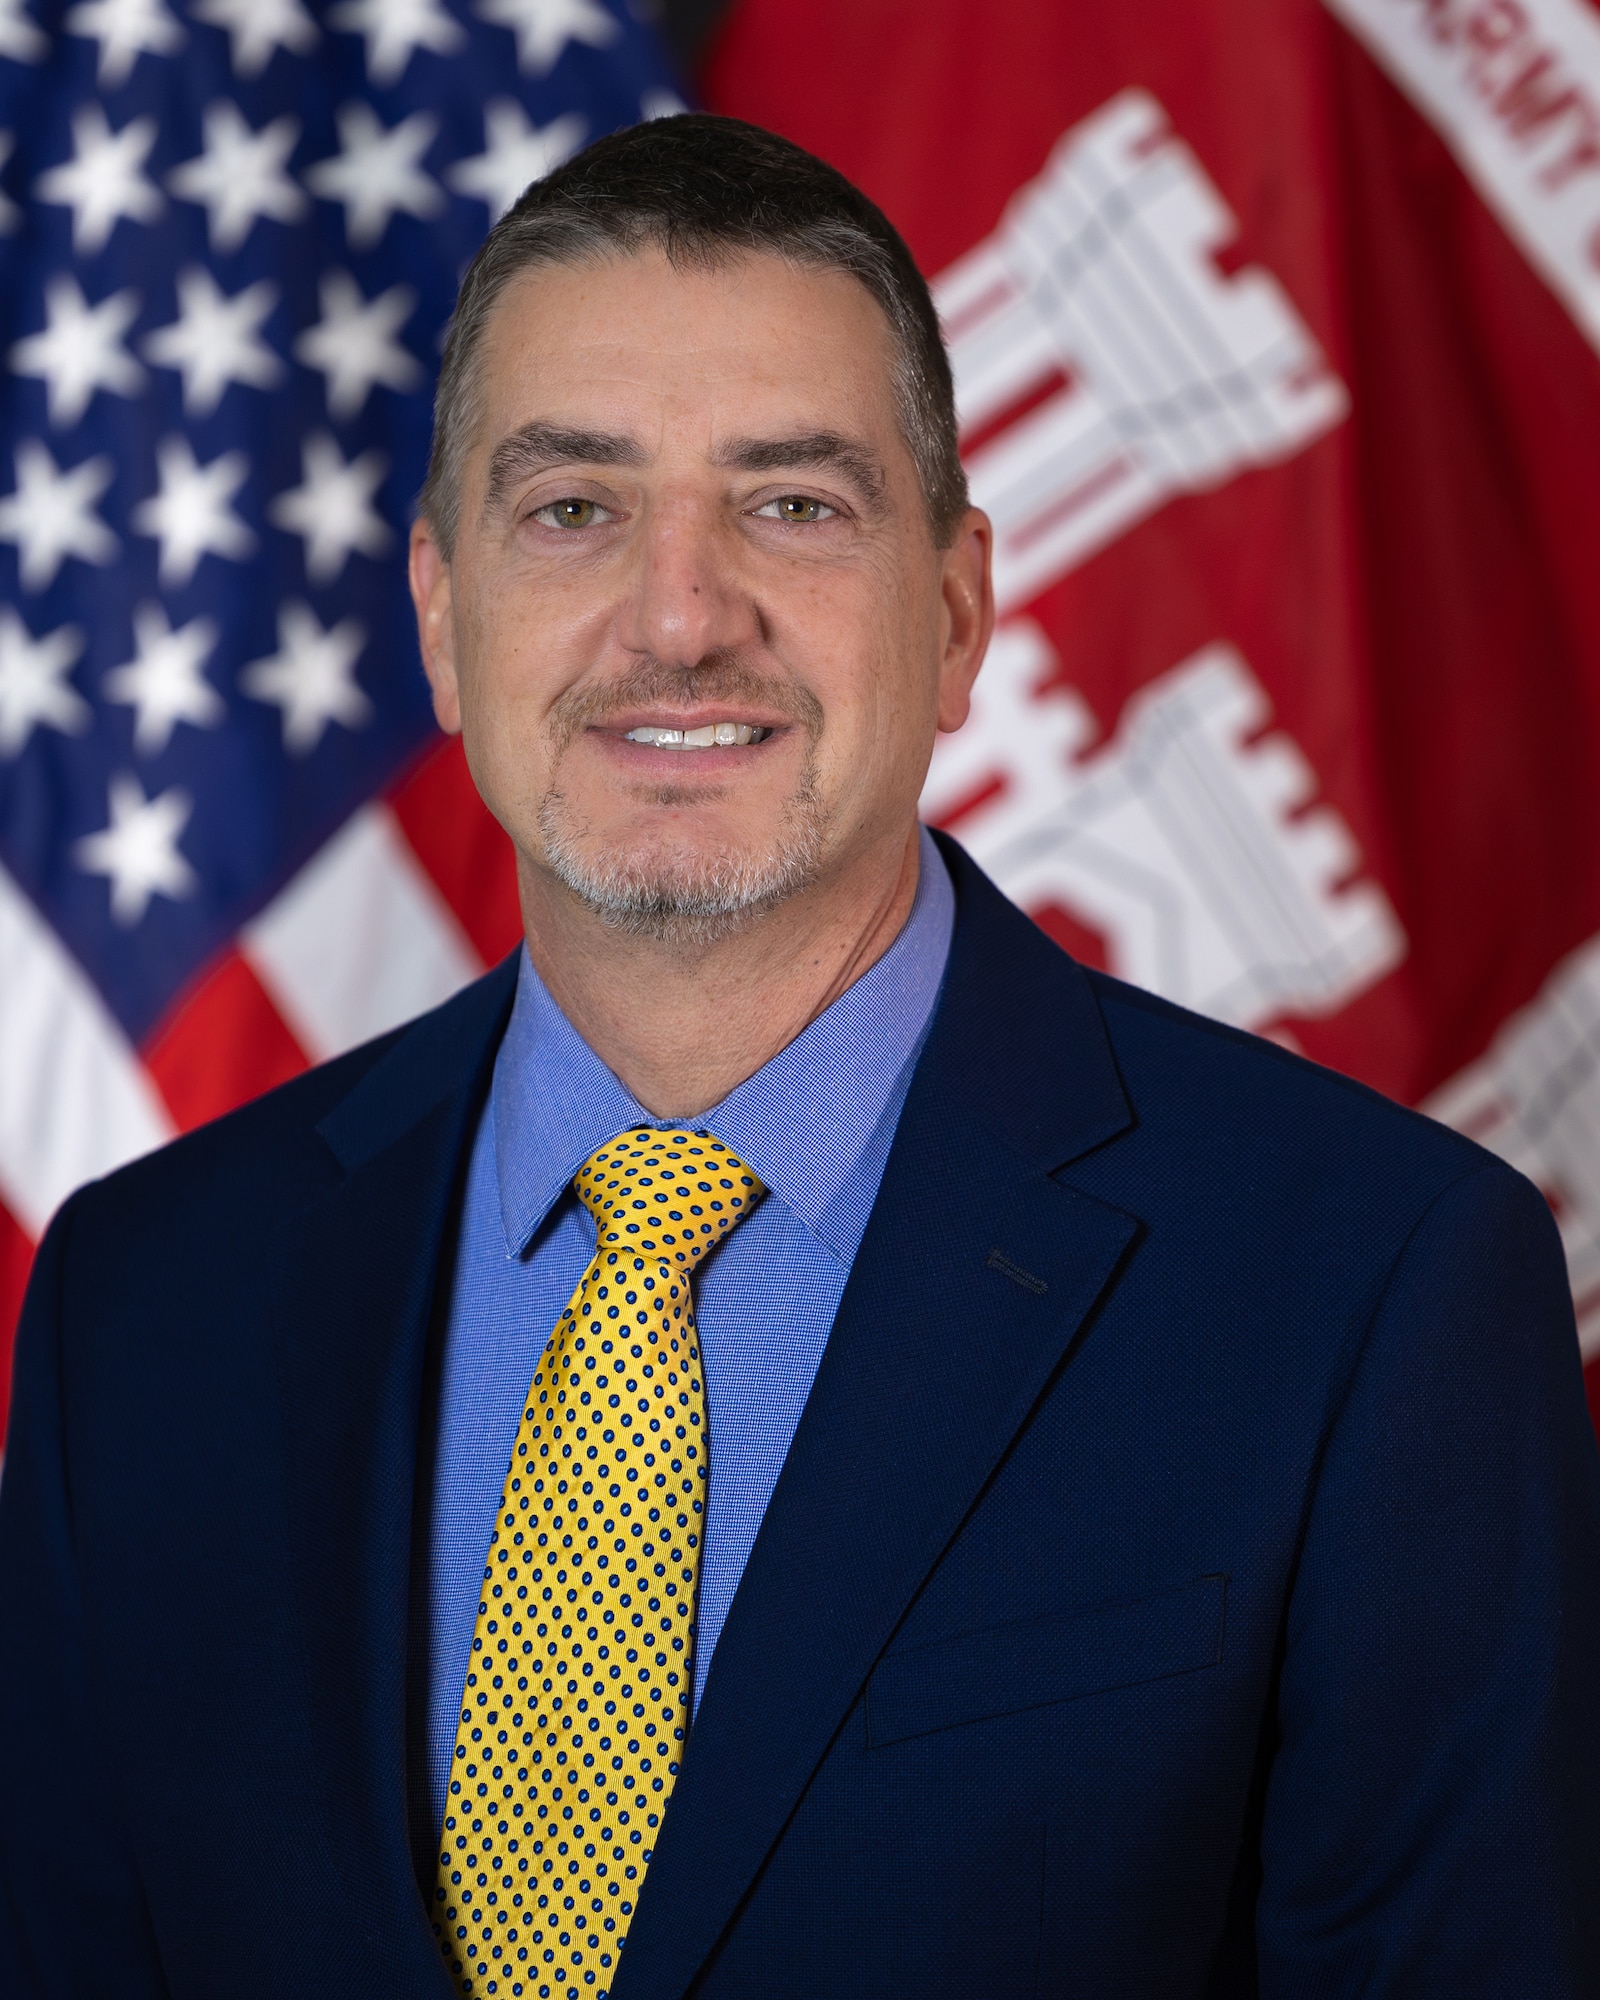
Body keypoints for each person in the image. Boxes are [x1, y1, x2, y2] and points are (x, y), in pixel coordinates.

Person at [2, 113, 1598, 2000]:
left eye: (794, 503)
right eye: (574, 508)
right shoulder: (147, 1298)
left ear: (955, 610)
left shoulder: (1378, 1292)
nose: (682, 618)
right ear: (444, 620)